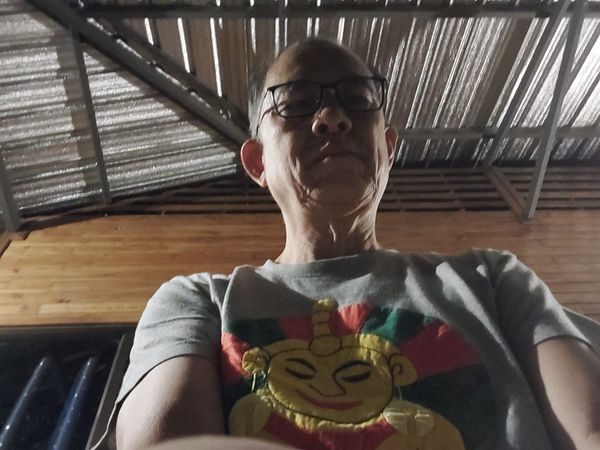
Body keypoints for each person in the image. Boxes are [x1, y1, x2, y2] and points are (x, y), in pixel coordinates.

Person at [99, 39, 600, 450]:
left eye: (357, 100)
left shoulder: (492, 280)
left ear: (388, 147)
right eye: (297, 103)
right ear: (257, 163)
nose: (332, 118)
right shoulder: (196, 301)